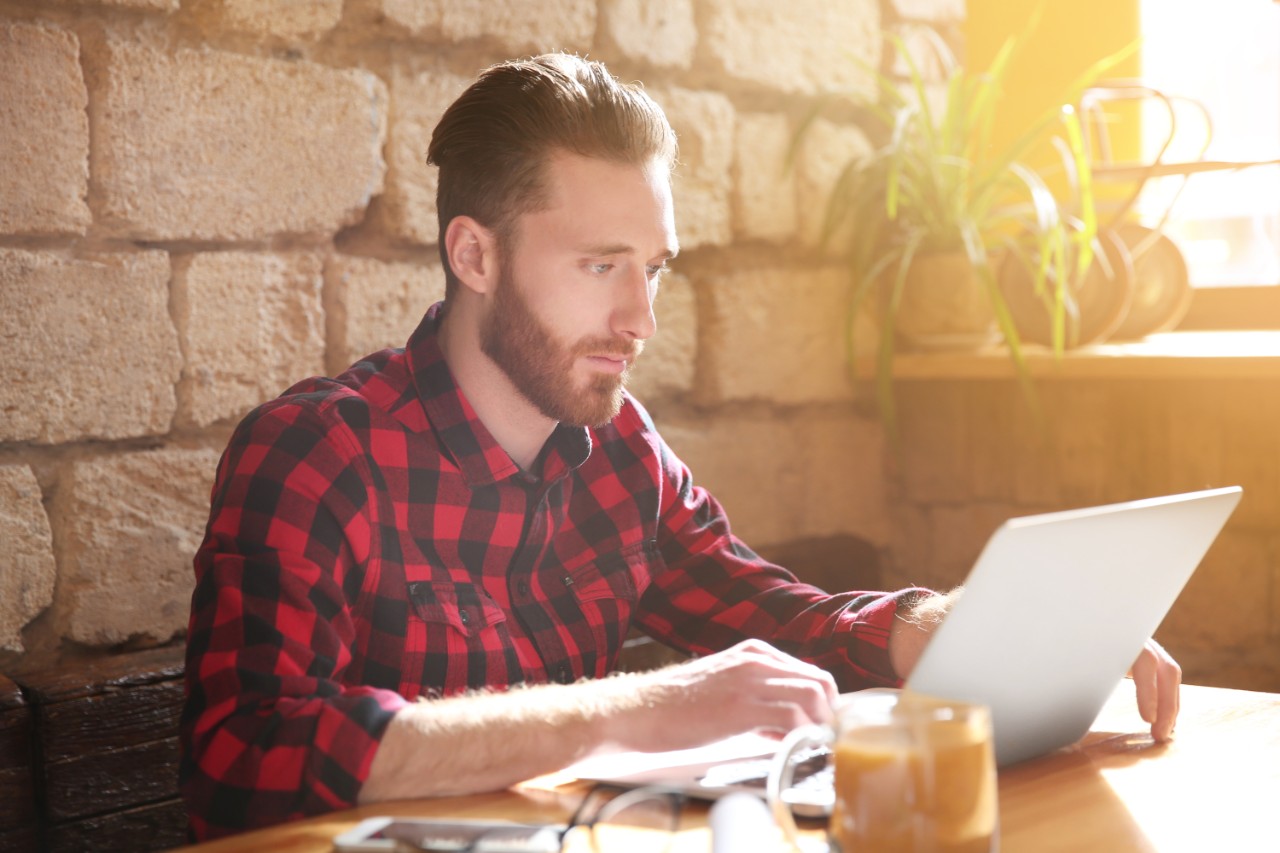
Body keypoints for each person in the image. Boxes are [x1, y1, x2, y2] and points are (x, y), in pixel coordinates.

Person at [179, 52, 1181, 840]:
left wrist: (961, 629)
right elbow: (242, 761)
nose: (640, 319)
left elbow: (768, 615)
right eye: (600, 264)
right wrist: (634, 709)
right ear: (473, 254)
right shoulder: (315, 453)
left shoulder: (616, 446)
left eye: (652, 267)